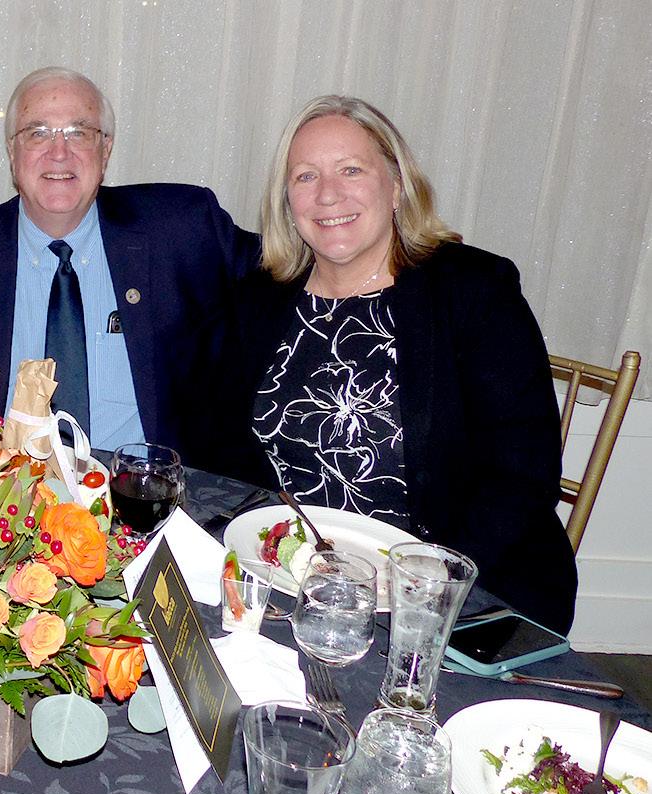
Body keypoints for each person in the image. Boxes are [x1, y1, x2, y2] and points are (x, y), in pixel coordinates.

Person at [203, 94, 576, 633]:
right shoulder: (260, 300)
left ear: (397, 185)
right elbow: (223, 448)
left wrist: (423, 581)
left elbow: (523, 476)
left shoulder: (473, 291)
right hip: (294, 585)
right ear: (287, 201)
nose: (328, 194)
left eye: (351, 170)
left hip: (454, 598)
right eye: (305, 176)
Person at [0, 67, 259, 452]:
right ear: (12, 152)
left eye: (78, 133)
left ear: (106, 150)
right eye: (37, 133)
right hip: (6, 487)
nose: (59, 152)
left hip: (144, 484)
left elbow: (286, 271)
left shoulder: (183, 227)